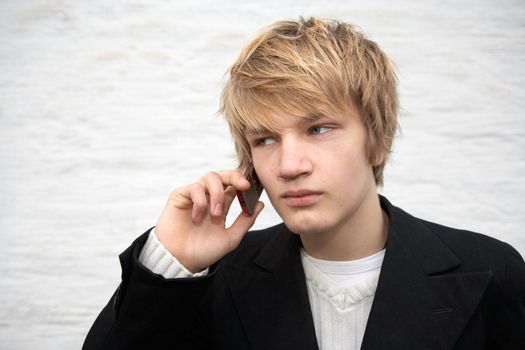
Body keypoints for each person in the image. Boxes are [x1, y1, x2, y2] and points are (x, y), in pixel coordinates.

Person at [83, 17, 525, 350]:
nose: (289, 165)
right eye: (265, 139)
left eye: (318, 129)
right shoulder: (214, 283)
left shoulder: (490, 270)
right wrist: (171, 264)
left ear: (378, 142)